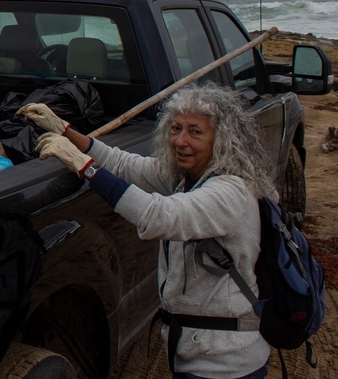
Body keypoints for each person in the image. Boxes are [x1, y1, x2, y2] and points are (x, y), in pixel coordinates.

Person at [16, 83, 275, 379]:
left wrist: (85, 168)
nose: (180, 140)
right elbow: (122, 163)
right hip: (197, 354)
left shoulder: (229, 192)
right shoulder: (188, 178)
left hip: (227, 365)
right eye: (176, 128)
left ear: (223, 140)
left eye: (195, 132)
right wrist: (66, 131)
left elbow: (159, 216)